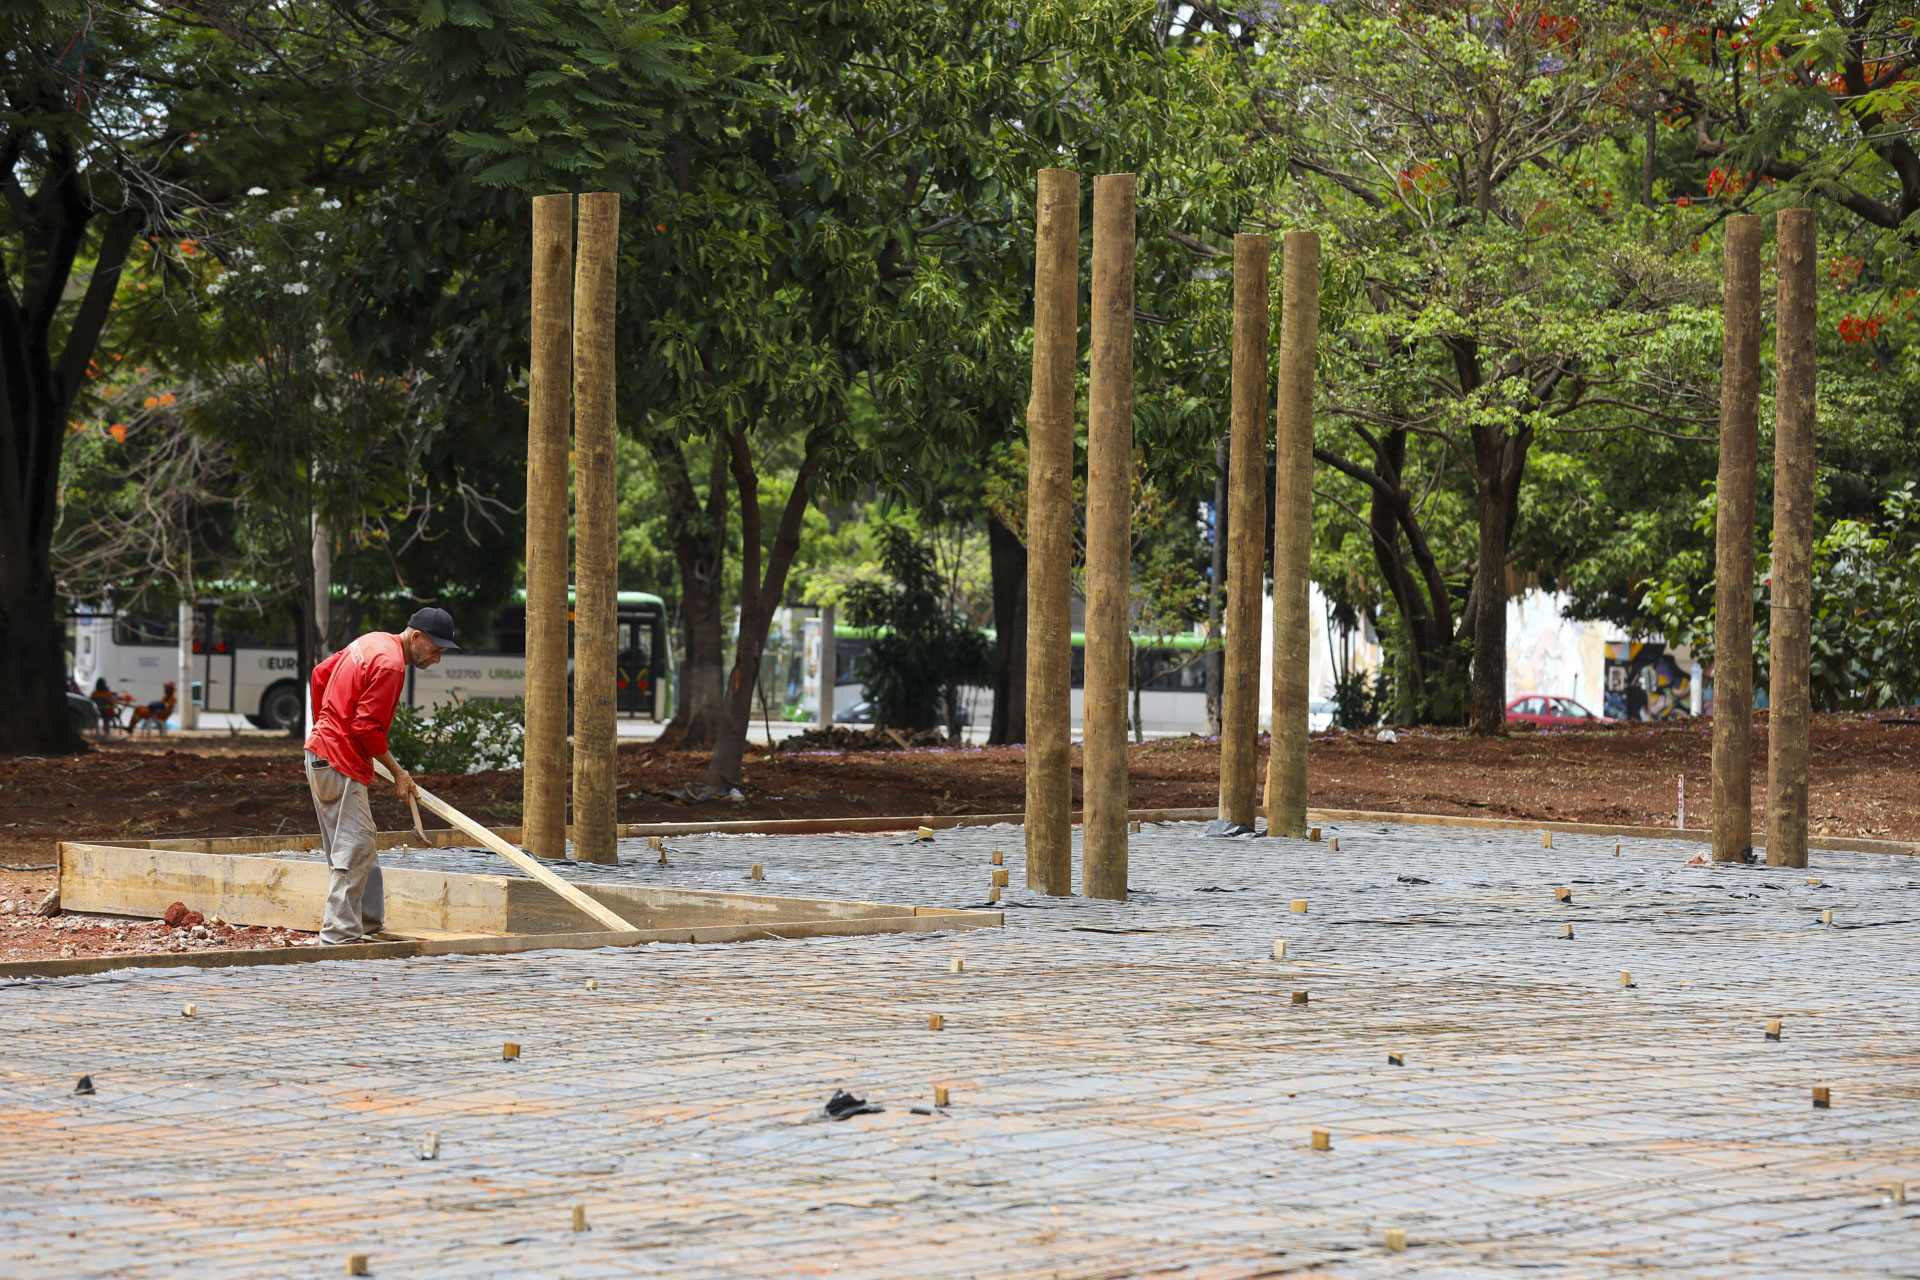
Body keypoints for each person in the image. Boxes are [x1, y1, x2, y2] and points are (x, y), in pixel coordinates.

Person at [304, 607, 460, 944]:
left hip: (321, 755)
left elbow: (319, 674)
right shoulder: (390, 665)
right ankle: (340, 937)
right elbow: (366, 728)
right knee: (356, 845)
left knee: (356, 843)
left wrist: (325, 727)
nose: (436, 660)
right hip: (338, 758)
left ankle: (367, 923)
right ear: (416, 637)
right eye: (435, 651)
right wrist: (398, 772)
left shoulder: (372, 642)